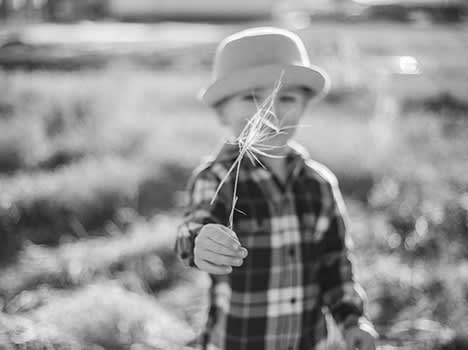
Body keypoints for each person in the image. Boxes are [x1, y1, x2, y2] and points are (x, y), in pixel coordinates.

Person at [175, 27, 378, 350]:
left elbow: (335, 264)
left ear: (304, 107)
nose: (269, 110)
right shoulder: (216, 178)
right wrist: (200, 241)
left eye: (286, 98)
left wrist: (352, 319)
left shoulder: (320, 185)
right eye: (251, 96)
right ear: (221, 112)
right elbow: (193, 225)